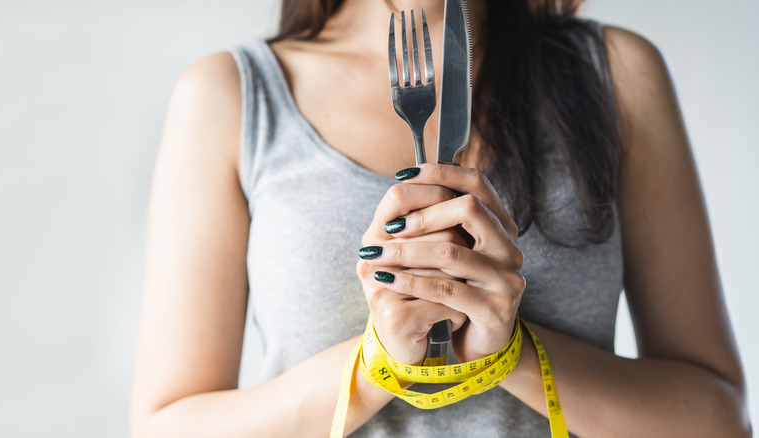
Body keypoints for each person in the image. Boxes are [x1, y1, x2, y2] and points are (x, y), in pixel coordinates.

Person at [129, 0, 752, 436]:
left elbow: (718, 421)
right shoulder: (230, 95)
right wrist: (377, 366)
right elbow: (166, 428)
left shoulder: (615, 74)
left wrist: (513, 354)